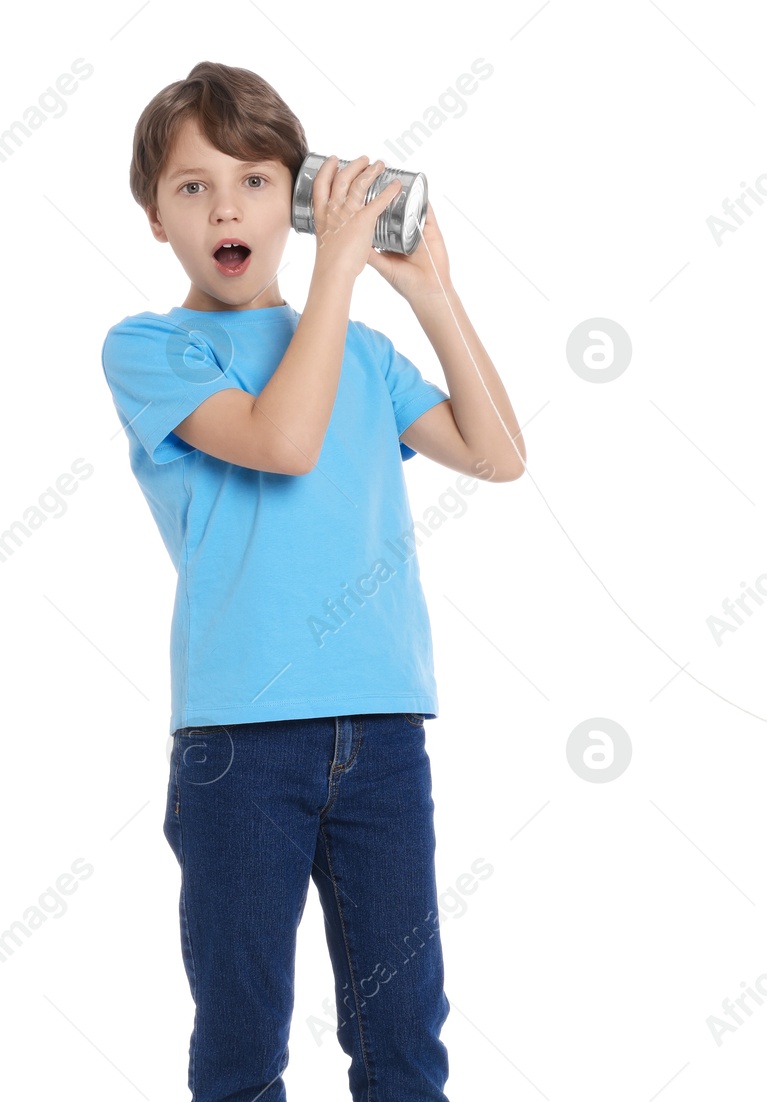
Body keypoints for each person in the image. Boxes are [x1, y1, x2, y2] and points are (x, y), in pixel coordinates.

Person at [100, 61, 525, 1102]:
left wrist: (432, 290)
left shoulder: (367, 354)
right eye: (192, 187)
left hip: (382, 731)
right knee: (244, 1032)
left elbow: (499, 452)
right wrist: (335, 269)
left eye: (254, 180)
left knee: (404, 1032)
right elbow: (281, 441)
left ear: (291, 199)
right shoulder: (153, 348)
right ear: (155, 217)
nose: (224, 206)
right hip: (241, 743)